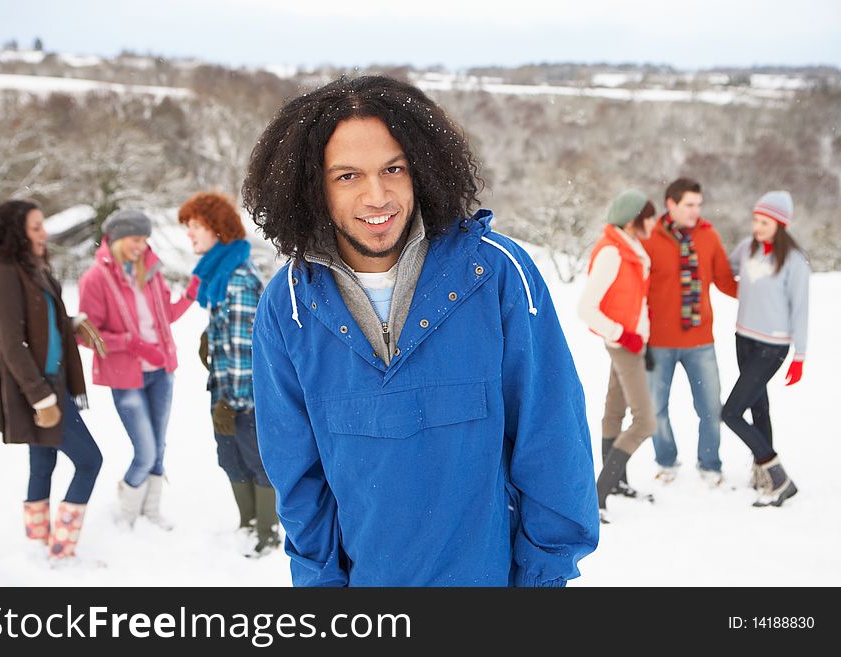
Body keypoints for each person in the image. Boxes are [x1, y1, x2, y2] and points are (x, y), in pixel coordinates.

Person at [242, 75, 598, 587]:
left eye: (394, 169)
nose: (377, 196)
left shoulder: (496, 274)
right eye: (347, 176)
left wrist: (544, 579)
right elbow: (300, 481)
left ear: (423, 170)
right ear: (310, 186)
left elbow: (552, 439)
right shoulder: (289, 308)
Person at [0, 200, 104, 560]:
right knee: (90, 461)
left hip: (53, 380)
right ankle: (62, 549)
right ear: (15, 233)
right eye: (35, 227)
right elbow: (11, 344)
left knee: (43, 461)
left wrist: (72, 323)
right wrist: (42, 399)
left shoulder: (34, 269)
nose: (43, 233)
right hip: (38, 388)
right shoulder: (4, 273)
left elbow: (41, 325)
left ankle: (37, 545)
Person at [78, 209, 198, 529]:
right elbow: (85, 333)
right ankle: (128, 513)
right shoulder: (96, 279)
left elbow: (164, 317)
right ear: (117, 240)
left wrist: (189, 295)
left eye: (145, 240)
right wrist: (130, 343)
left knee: (158, 447)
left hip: (161, 372)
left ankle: (151, 512)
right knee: (145, 451)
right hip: (126, 377)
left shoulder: (151, 271)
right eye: (135, 239)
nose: (141, 246)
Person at [178, 191, 280, 555]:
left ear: (217, 229)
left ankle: (267, 534)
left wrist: (233, 403)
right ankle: (248, 524)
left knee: (255, 461)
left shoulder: (237, 278)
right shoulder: (219, 273)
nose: (189, 234)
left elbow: (246, 353)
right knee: (231, 459)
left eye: (195, 227)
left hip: (245, 398)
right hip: (226, 391)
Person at [642, 177, 737, 485]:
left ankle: (710, 465)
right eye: (689, 205)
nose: (696, 211)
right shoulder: (650, 237)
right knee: (655, 409)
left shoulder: (708, 237)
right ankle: (666, 462)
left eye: (699, 204)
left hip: (700, 341)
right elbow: (636, 287)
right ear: (671, 204)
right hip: (658, 342)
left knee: (710, 408)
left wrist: (763, 290)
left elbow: (725, 280)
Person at [722, 191, 807, 507]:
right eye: (755, 220)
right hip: (743, 338)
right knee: (758, 408)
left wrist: (800, 355)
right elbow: (725, 270)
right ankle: (762, 473)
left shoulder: (794, 261)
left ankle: (778, 475)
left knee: (730, 413)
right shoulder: (747, 249)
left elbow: (801, 309)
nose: (757, 227)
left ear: (780, 224)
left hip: (773, 346)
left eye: (765, 222)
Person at [578, 190, 658, 523]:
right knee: (645, 422)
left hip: (633, 343)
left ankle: (617, 484)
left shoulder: (630, 248)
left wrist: (644, 337)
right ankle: (598, 494)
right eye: (649, 216)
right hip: (624, 345)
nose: (653, 222)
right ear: (633, 219)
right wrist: (624, 335)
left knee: (614, 412)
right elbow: (586, 308)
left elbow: (635, 300)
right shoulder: (613, 251)